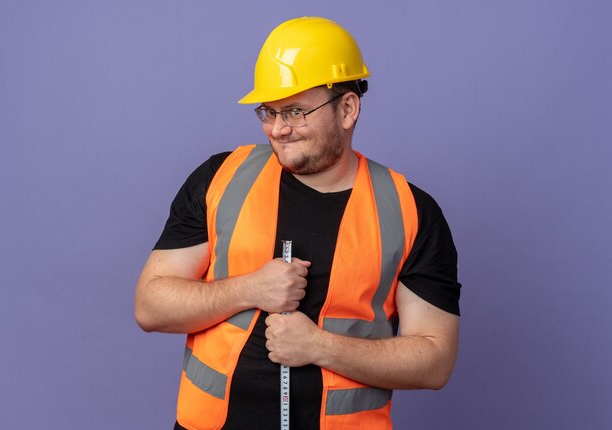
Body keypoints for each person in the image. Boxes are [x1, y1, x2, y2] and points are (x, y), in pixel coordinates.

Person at [135, 16, 461, 430]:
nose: (278, 129)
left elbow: (435, 362)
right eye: (268, 112)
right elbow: (150, 306)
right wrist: (250, 288)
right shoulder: (222, 178)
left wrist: (320, 347)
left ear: (347, 108)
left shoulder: (410, 211)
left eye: (295, 111)